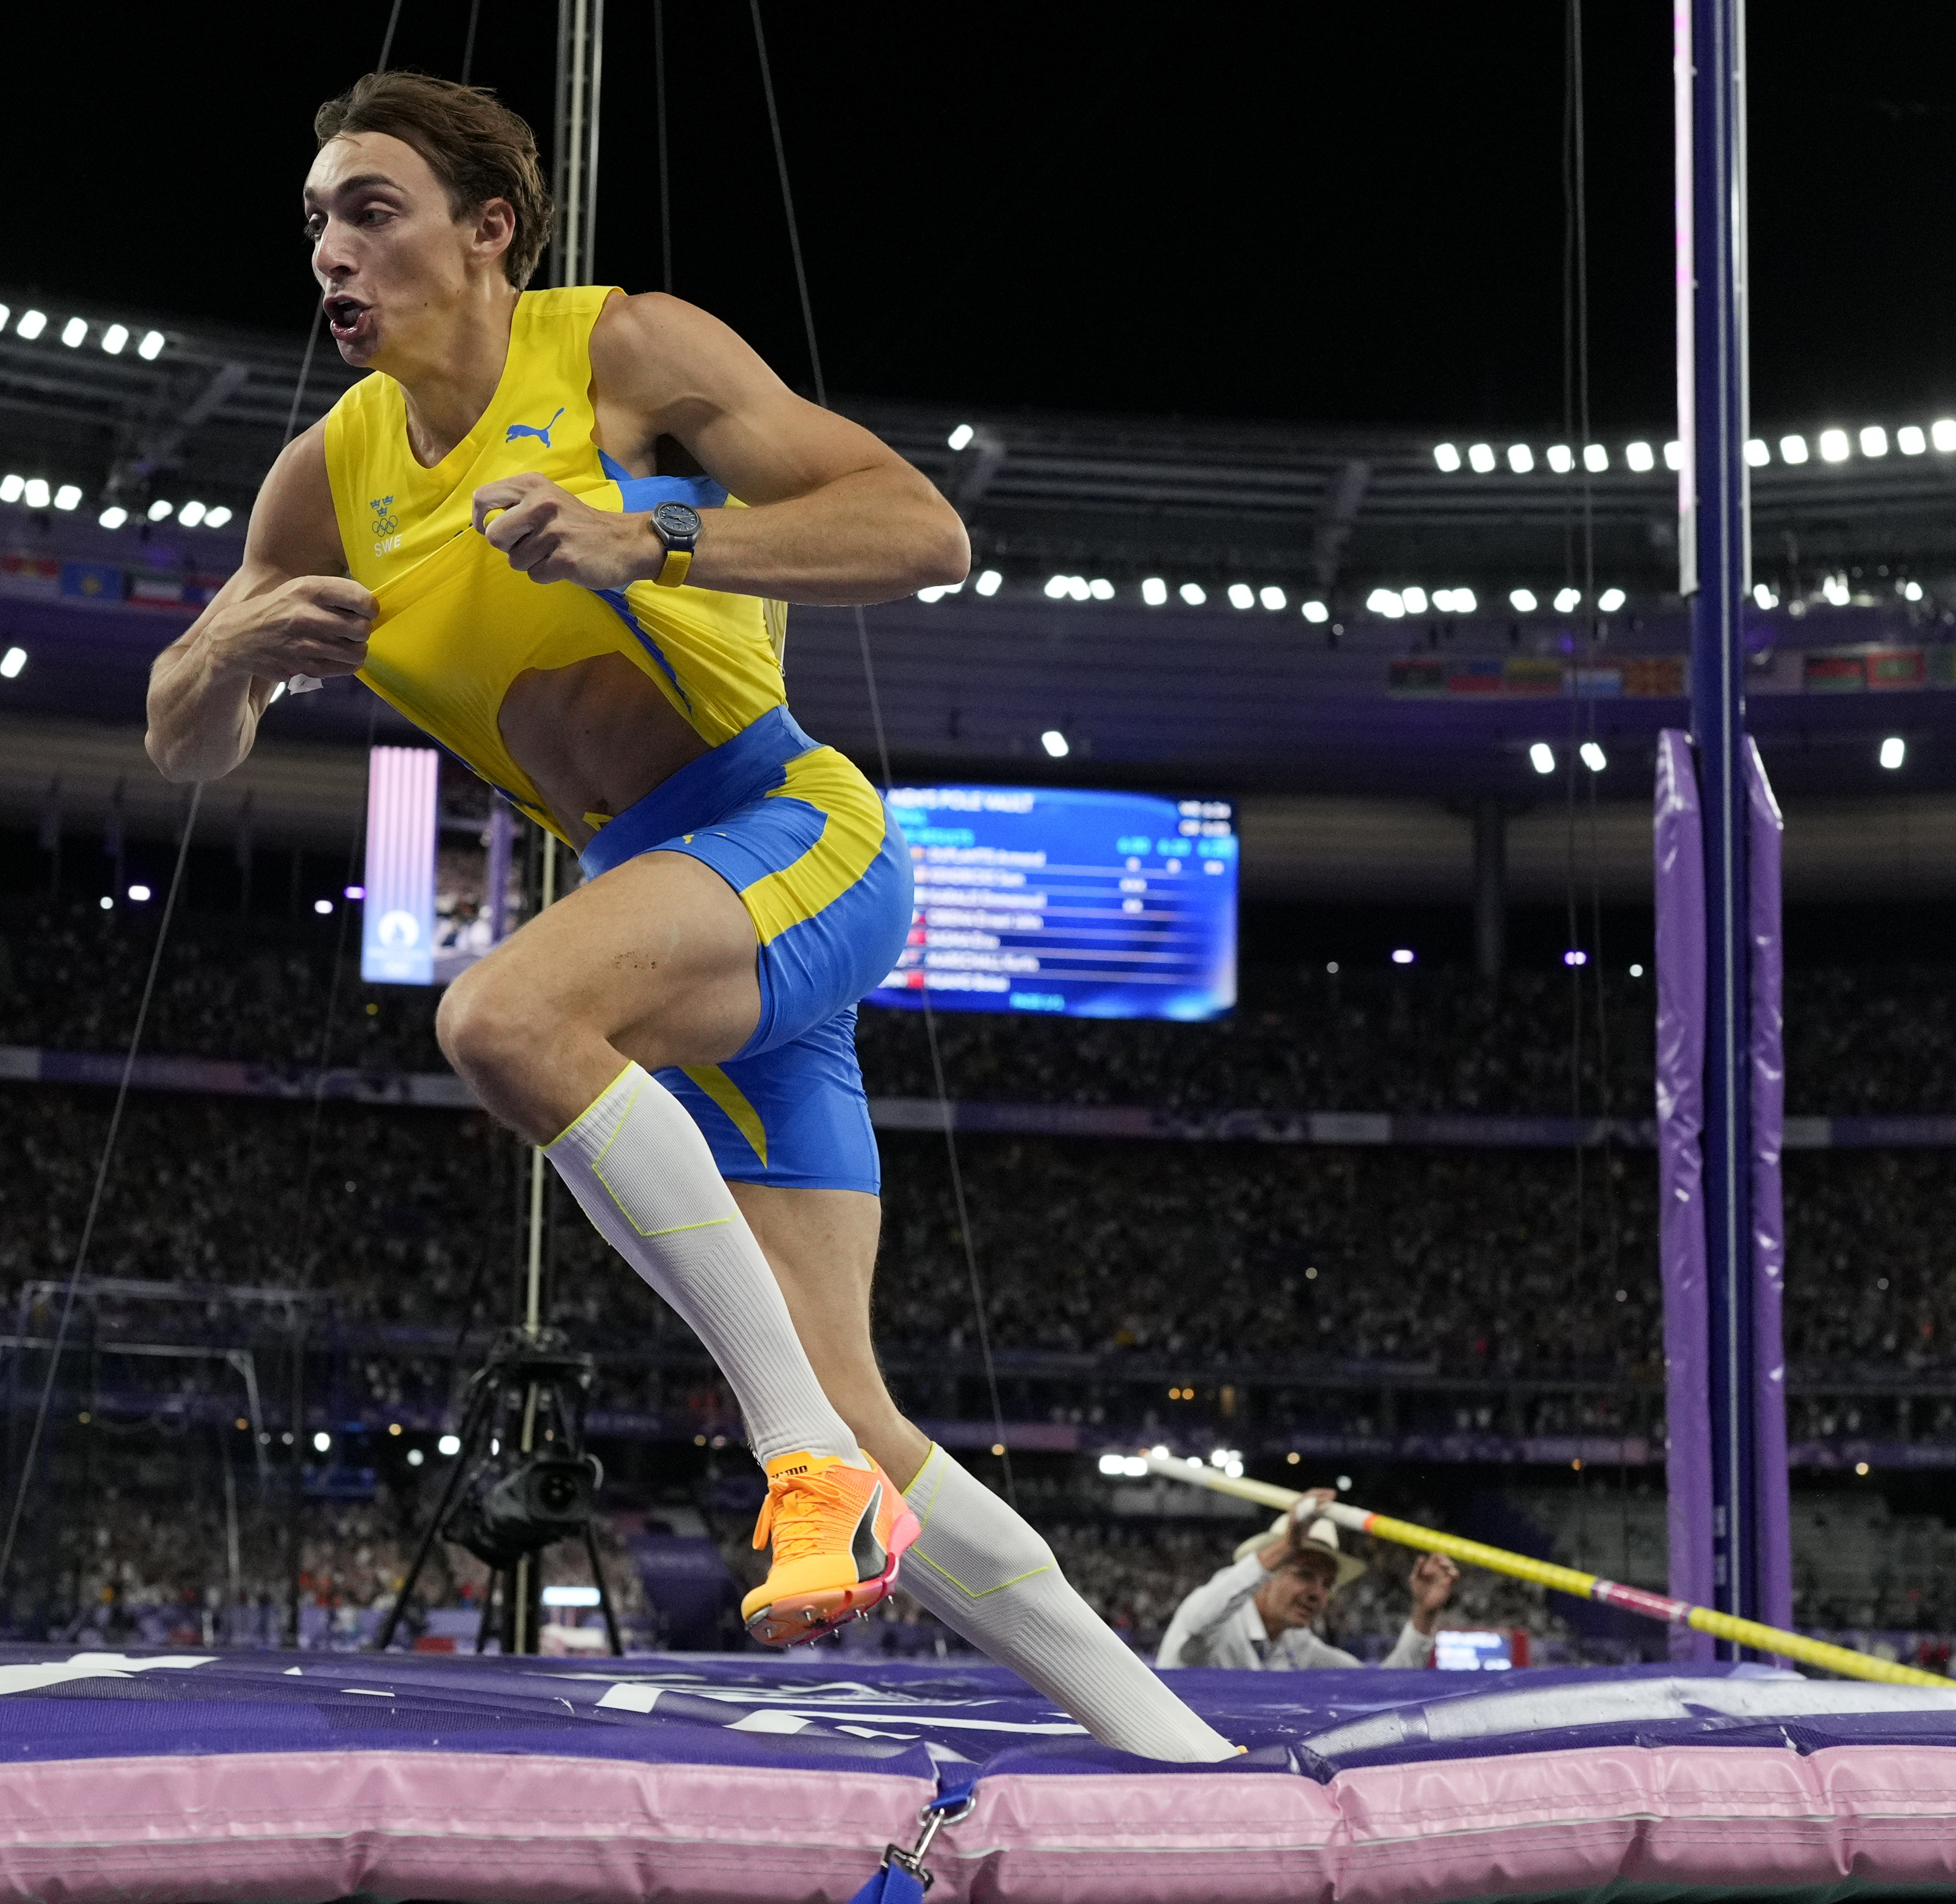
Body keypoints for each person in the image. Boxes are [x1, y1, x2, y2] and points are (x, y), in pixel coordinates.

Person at [142, 72, 1234, 1760]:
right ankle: (1183, 1750)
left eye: (371, 210)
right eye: (315, 222)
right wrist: (226, 651)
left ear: (488, 229)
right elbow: (184, 740)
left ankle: (801, 1463)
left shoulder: (622, 350)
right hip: (663, 906)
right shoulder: (326, 476)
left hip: (788, 829)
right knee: (865, 1407)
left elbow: (922, 530)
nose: (330, 253)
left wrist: (647, 537)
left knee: (502, 1015)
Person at [1156, 1491, 1460, 1670]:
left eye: (1328, 1584)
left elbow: (1380, 1689)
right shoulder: (1220, 1622)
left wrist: (1424, 1614)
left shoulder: (1297, 1644)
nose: (1318, 1593)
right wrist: (1285, 1547)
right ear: (1267, 1575)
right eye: (1304, 1574)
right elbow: (1198, 1619)